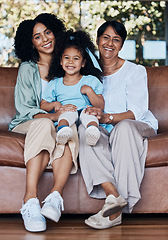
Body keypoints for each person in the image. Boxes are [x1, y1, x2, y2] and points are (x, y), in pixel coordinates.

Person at [78, 20, 158, 229]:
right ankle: (113, 197)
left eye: (116, 39)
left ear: (121, 45)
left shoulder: (134, 71)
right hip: (105, 129)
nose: (110, 43)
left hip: (136, 125)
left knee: (123, 128)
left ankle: (115, 213)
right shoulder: (89, 73)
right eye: (106, 37)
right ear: (97, 40)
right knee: (83, 129)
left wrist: (108, 117)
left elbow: (137, 112)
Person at [9, 13, 79, 233]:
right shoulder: (27, 69)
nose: (45, 39)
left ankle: (54, 198)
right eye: (37, 36)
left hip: (60, 122)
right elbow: (25, 109)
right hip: (28, 123)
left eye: (47, 32)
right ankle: (30, 200)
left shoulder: (67, 64)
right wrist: (54, 115)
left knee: (69, 129)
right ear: (30, 43)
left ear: (55, 33)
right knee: (45, 125)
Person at [41, 30, 104, 146]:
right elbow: (43, 104)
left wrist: (89, 91)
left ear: (83, 63)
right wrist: (54, 105)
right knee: (65, 115)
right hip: (68, 111)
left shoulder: (90, 80)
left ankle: (93, 132)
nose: (71, 62)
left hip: (86, 111)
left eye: (76, 58)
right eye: (66, 58)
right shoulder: (55, 83)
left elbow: (100, 106)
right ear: (60, 61)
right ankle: (63, 131)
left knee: (90, 115)